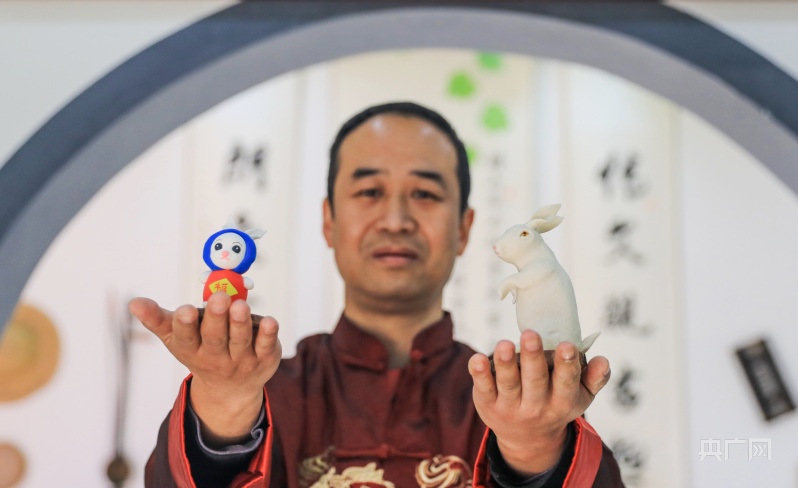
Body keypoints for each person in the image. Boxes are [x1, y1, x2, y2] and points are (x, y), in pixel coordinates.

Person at [130, 102, 623, 487]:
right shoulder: (266, 390)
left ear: (463, 227)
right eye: (369, 192)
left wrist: (533, 447)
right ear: (329, 220)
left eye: (425, 194)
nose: (395, 220)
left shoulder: (512, 401)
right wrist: (222, 404)